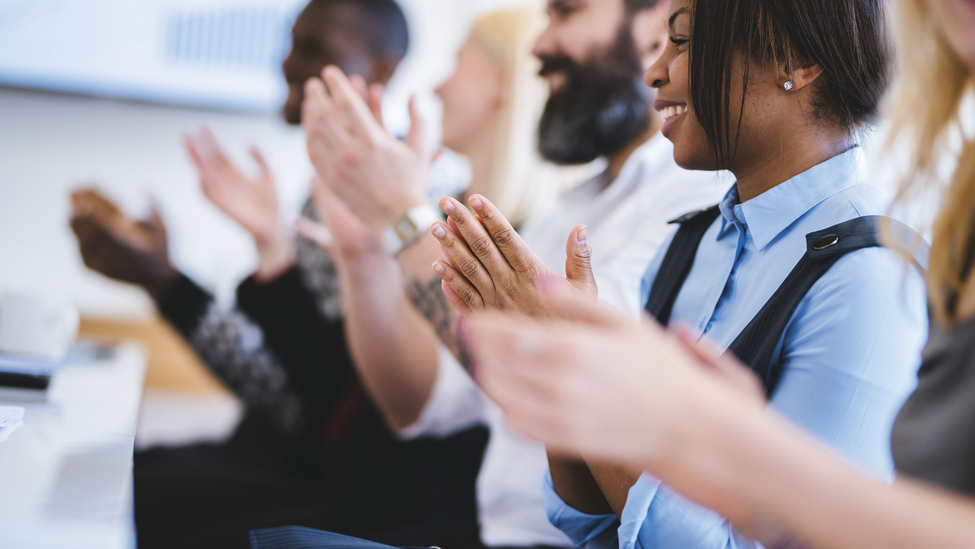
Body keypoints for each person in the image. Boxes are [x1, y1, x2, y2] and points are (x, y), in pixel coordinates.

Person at [464, 0, 975, 547]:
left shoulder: (867, 277)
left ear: (795, 62)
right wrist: (559, 366)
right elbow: (592, 519)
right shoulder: (690, 242)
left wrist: (578, 359)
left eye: (680, 42)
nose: (654, 71)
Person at [291, 1, 726, 548]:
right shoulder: (568, 212)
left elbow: (550, 363)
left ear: (653, 23)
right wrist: (364, 254)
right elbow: (417, 401)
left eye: (565, 13)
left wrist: (400, 214)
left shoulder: (698, 197)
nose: (539, 45)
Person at [70, 1, 490, 548]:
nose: (289, 62)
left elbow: (307, 399)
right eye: (291, 42)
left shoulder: (414, 199)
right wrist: (207, 270)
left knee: (113, 497)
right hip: (301, 461)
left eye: (315, 49)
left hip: (355, 489)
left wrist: (178, 285)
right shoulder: (334, 189)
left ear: (383, 69)